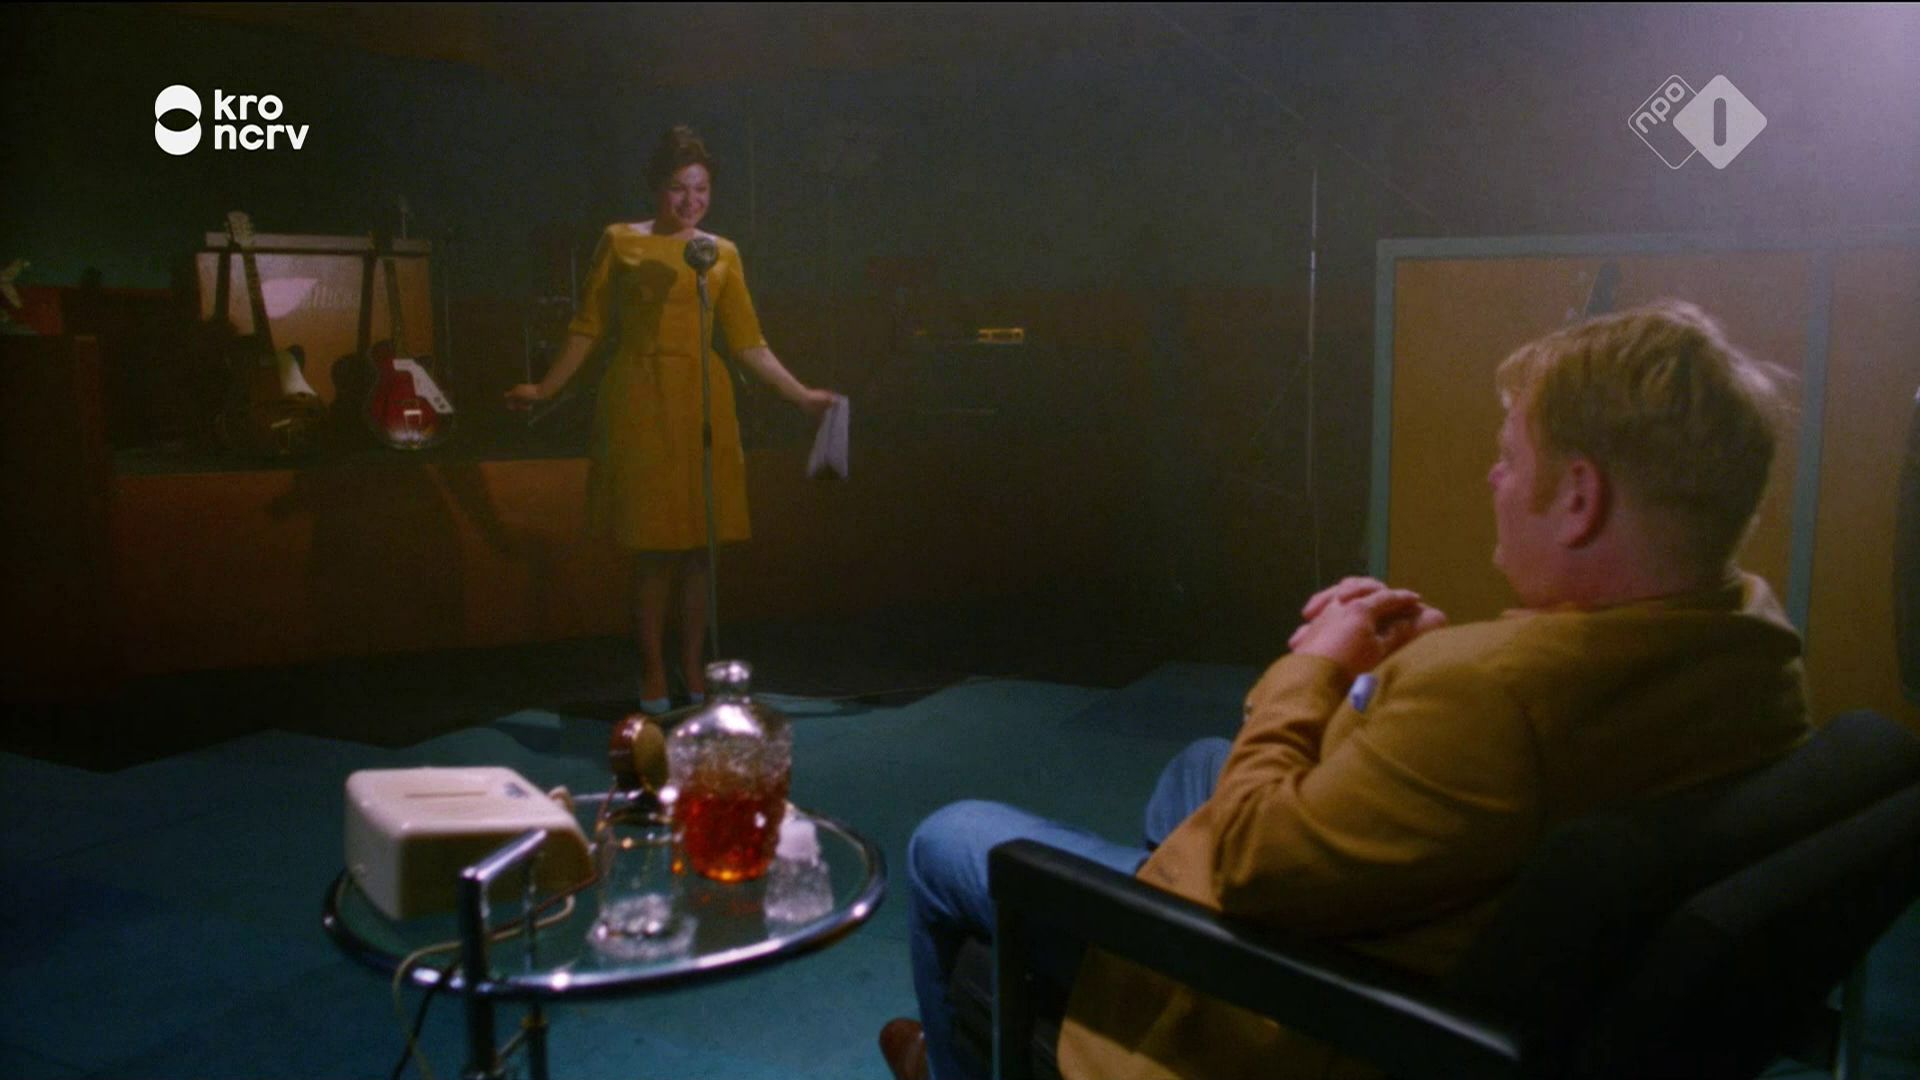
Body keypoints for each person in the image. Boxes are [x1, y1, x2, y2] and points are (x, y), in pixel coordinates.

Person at [881, 300, 1811, 1080]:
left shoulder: (1489, 701)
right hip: (1446, 914)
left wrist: (1317, 667)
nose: (1492, 478)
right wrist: (1413, 673)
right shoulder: (1754, 648)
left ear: (1579, 498)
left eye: (1509, 456)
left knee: (946, 839)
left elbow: (1252, 862)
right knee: (1196, 766)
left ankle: (959, 1056)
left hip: (1298, 1000)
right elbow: (1516, 741)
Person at [507, 125, 835, 714]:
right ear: (657, 187)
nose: (691, 201)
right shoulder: (620, 241)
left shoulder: (722, 252)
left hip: (703, 399)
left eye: (701, 189)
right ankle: (653, 666)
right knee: (654, 547)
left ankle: (693, 662)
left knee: (700, 549)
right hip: (640, 395)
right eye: (679, 188)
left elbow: (748, 342)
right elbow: (588, 325)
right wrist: (545, 387)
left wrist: (801, 395)